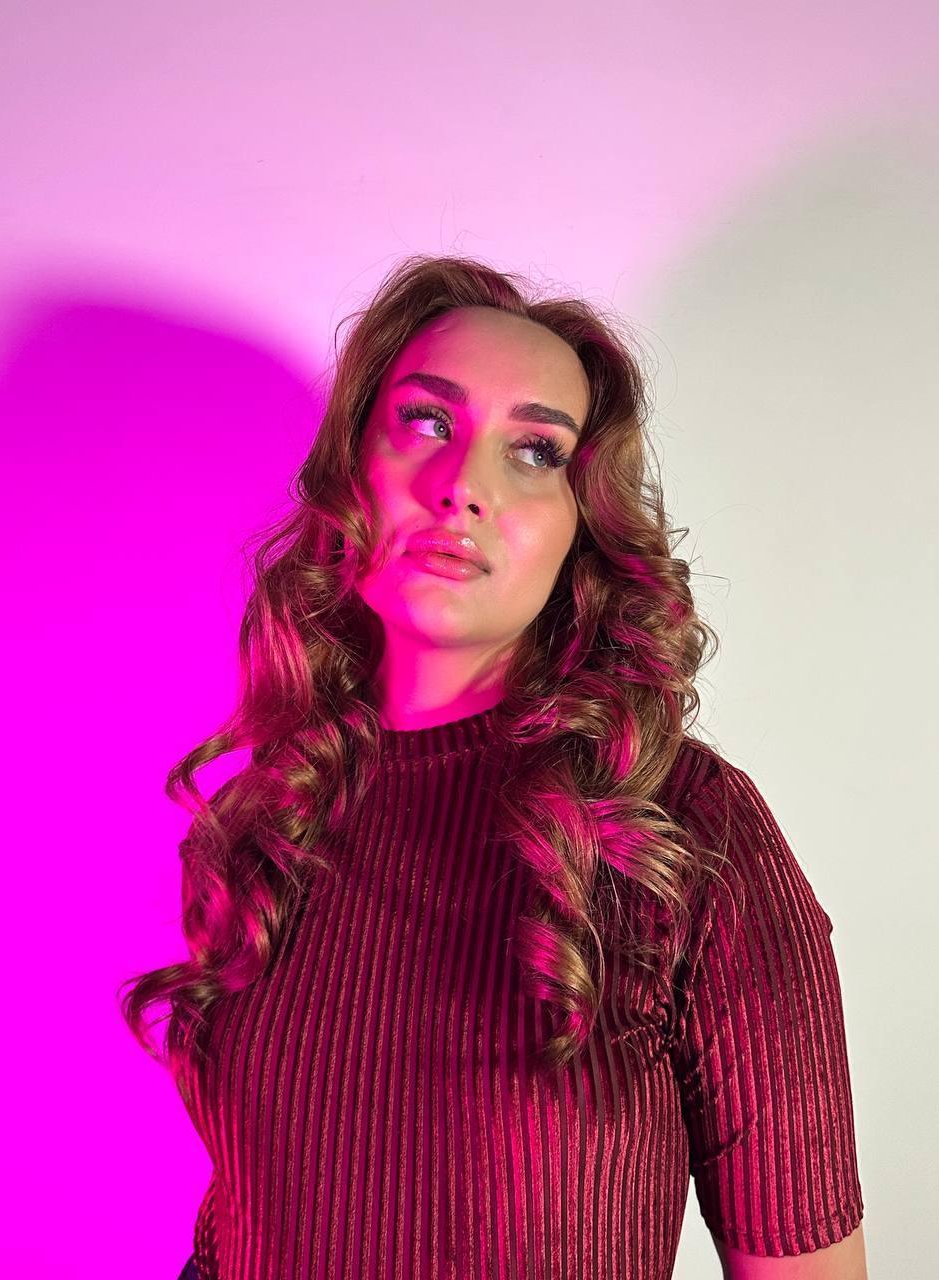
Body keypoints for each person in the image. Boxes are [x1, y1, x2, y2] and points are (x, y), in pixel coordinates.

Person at [121, 255, 867, 1279]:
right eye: (427, 422)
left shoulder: (682, 830)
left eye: (534, 450)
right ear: (354, 468)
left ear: (581, 528)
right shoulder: (272, 815)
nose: (462, 486)